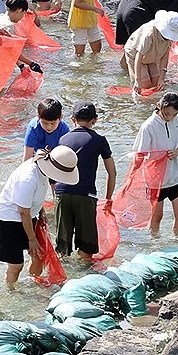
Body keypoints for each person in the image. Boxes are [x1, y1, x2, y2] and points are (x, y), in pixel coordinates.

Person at [0, 146, 79, 287]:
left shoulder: (41, 168)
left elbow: (33, 198)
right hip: (7, 219)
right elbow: (23, 211)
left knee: (38, 255)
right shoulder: (28, 178)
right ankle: (10, 290)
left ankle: (31, 284)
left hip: (27, 215)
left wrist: (41, 211)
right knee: (16, 265)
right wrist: (32, 239)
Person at [55, 102, 116, 261]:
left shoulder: (63, 139)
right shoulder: (100, 140)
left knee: (62, 249)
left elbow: (55, 169)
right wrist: (108, 199)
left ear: (72, 119)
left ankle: (62, 279)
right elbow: (112, 172)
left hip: (62, 193)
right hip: (85, 194)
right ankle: (83, 274)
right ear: (94, 120)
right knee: (87, 248)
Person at [134, 93, 178, 236]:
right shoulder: (148, 126)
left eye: (174, 114)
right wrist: (131, 177)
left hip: (176, 176)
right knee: (157, 217)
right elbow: (140, 155)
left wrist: (176, 152)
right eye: (167, 113)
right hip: (155, 180)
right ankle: (155, 244)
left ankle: (177, 242)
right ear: (159, 106)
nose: (170, 117)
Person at [124, 11, 178, 93]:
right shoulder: (149, 34)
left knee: (156, 84)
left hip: (152, 56)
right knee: (144, 85)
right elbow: (138, 57)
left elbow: (165, 56)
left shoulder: (169, 38)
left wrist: (162, 78)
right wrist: (137, 81)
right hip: (135, 55)